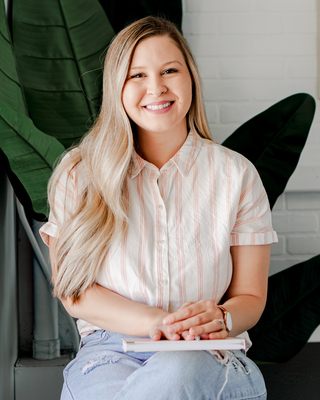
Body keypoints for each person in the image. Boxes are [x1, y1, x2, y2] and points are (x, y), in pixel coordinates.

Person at [40, 16, 277, 400]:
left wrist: (221, 317)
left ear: (191, 79)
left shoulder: (236, 175)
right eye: (137, 75)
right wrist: (160, 323)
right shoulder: (79, 175)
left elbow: (250, 297)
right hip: (110, 352)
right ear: (116, 86)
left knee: (179, 369)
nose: (156, 87)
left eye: (170, 70)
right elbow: (75, 292)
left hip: (206, 351)